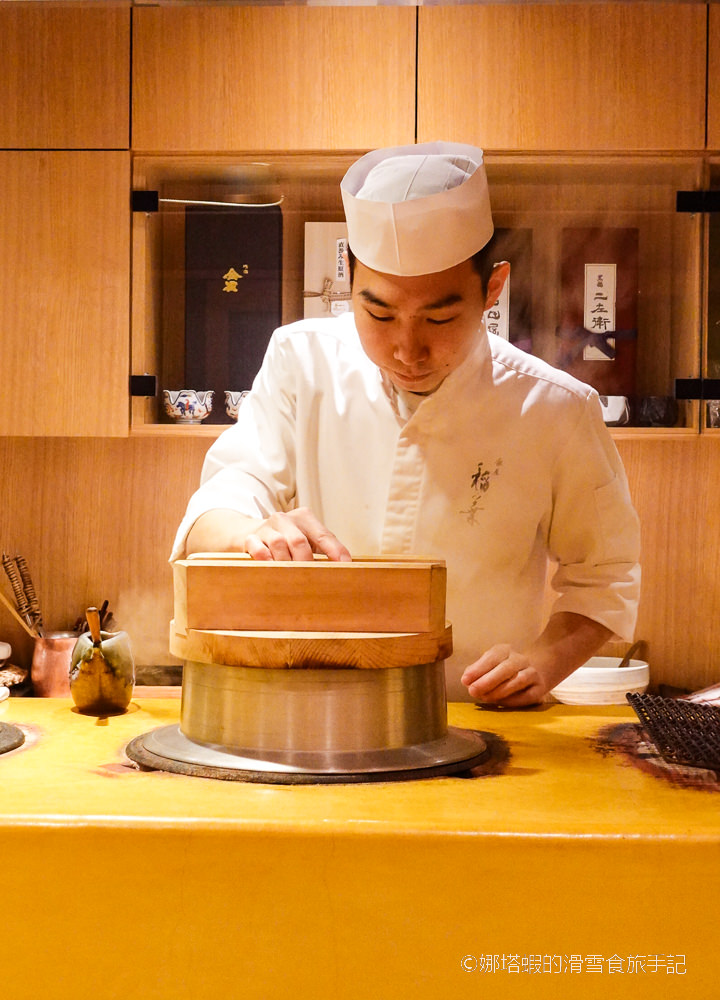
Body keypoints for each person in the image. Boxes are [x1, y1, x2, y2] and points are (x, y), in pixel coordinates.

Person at [171, 141, 641, 706]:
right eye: (380, 312)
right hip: (314, 715)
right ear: (348, 274)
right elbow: (227, 495)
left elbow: (605, 574)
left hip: (478, 725)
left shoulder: (555, 407)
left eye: (440, 316)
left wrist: (545, 661)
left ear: (492, 288)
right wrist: (249, 533)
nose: (407, 349)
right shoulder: (302, 360)